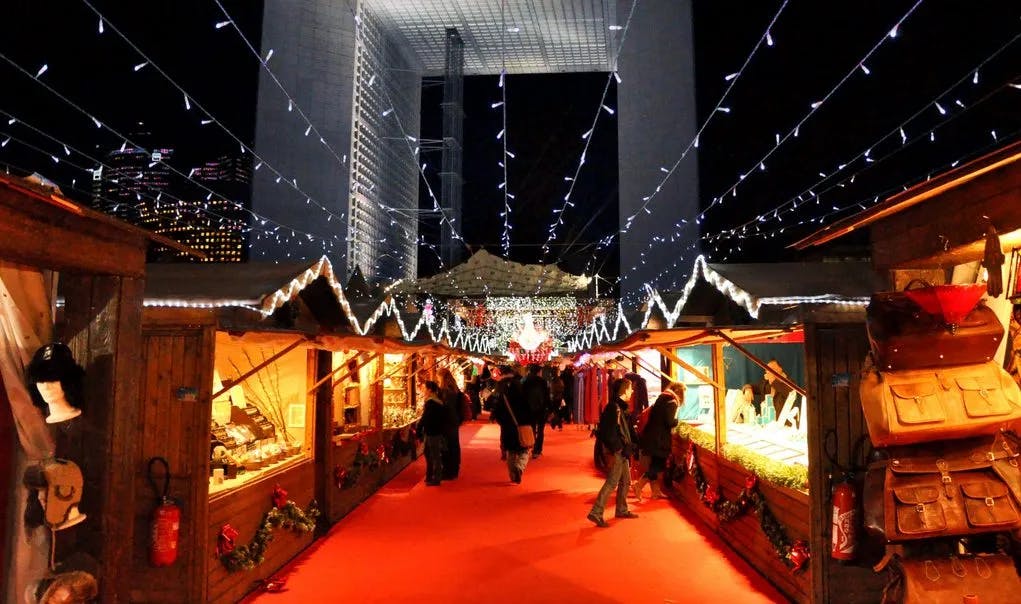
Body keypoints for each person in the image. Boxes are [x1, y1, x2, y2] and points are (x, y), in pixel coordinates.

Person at [587, 377, 640, 527]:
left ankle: (621, 509)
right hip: (618, 451)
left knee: (625, 481)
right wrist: (619, 448)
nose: (632, 391)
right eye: (630, 388)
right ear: (624, 390)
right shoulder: (614, 408)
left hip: (622, 451)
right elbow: (608, 432)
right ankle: (596, 512)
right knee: (612, 482)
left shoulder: (619, 407)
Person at [634, 382, 683, 501]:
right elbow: (669, 422)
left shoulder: (662, 398)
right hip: (660, 440)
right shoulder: (672, 402)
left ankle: (656, 492)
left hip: (652, 437)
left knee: (655, 464)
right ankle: (639, 485)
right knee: (658, 466)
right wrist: (678, 421)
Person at [489, 365, 533, 484]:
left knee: (511, 450)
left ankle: (513, 471)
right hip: (521, 422)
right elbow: (527, 404)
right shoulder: (520, 385)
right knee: (524, 448)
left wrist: (496, 417)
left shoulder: (500, 387)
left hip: (507, 423)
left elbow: (495, 404)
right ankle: (520, 467)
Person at [416, 381, 448, 486]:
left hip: (432, 431)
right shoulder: (437, 401)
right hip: (435, 430)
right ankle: (430, 475)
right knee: (430, 453)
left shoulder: (431, 402)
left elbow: (426, 418)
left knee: (434, 455)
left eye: (424, 388)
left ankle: (436, 477)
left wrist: (419, 428)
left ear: (429, 389)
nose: (423, 390)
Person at [436, 368, 463, 479]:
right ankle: (454, 469)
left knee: (446, 446)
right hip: (454, 421)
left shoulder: (444, 391)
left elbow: (443, 407)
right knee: (454, 445)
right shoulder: (455, 389)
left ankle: (448, 471)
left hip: (446, 421)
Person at [521, 364, 550, 458]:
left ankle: (529, 446)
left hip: (528, 409)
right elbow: (546, 397)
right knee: (540, 430)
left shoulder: (525, 381)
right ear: (539, 372)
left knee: (531, 428)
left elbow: (522, 396)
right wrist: (549, 409)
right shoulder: (543, 382)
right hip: (541, 409)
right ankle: (537, 450)